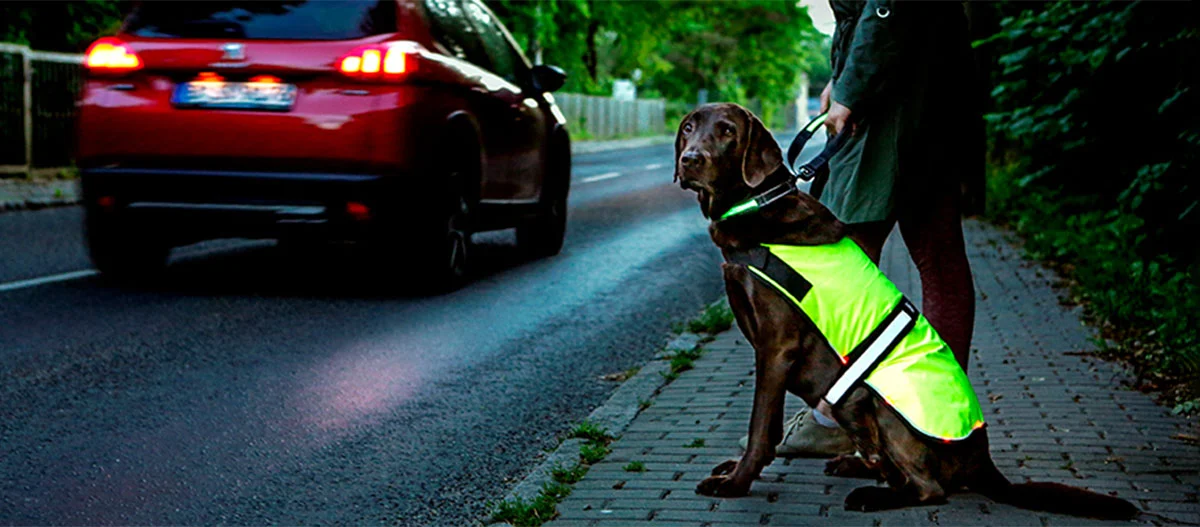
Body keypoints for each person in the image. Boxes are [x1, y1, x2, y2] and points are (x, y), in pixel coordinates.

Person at [755, 0, 985, 457]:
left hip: (893, 97)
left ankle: (837, 416)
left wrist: (852, 89)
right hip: (927, 88)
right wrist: (841, 79)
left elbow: (887, 7)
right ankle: (938, 421)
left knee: (846, 262)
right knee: (938, 261)